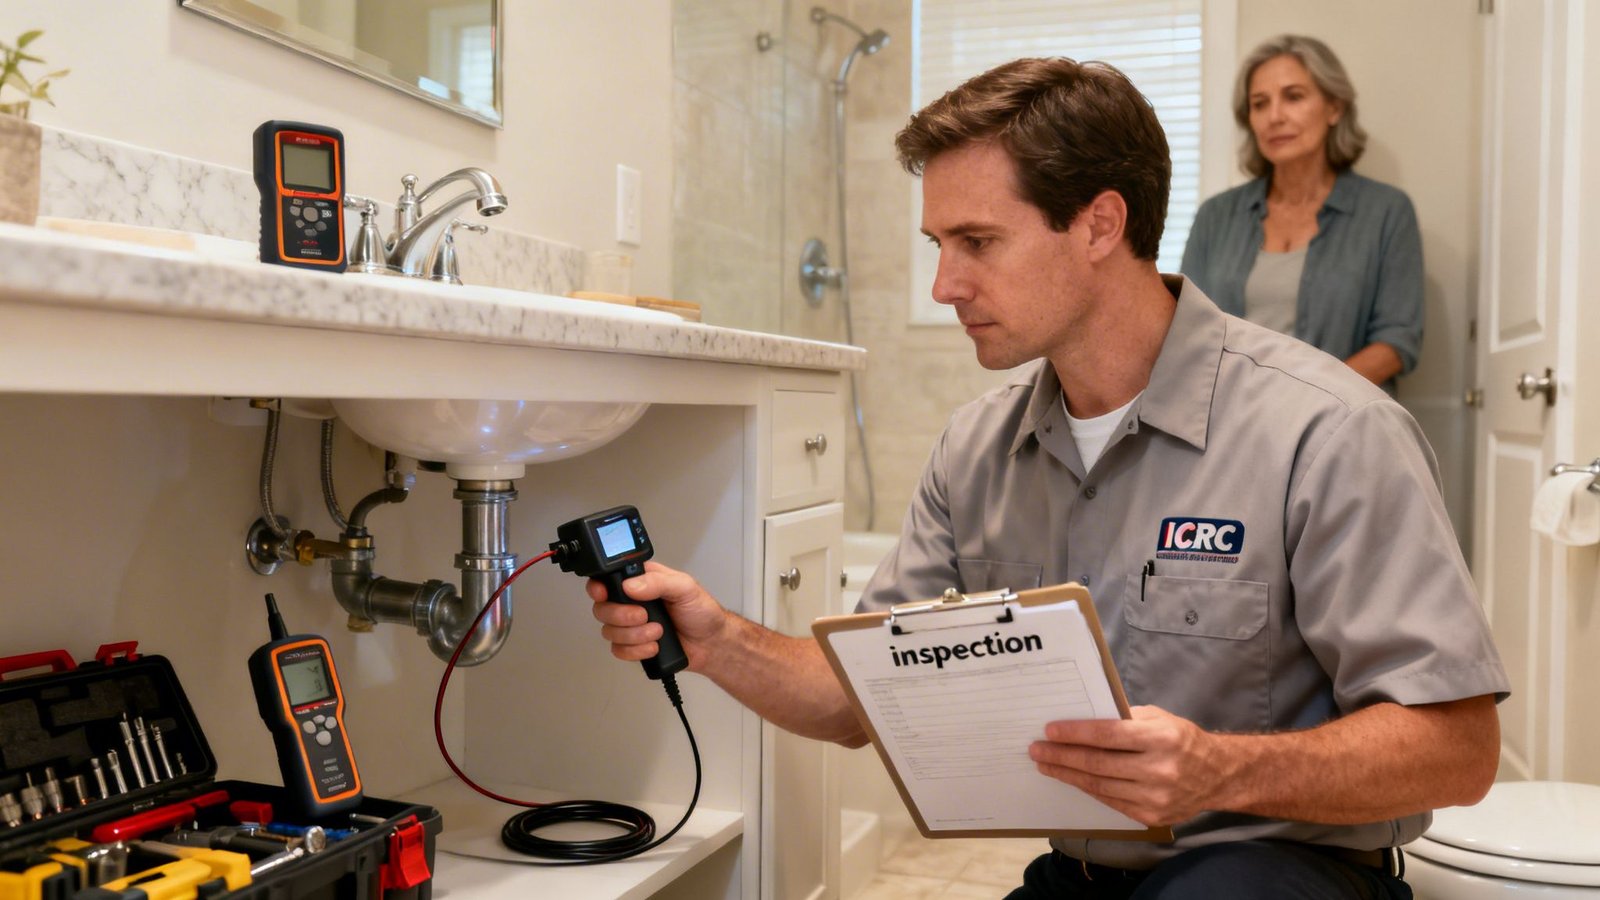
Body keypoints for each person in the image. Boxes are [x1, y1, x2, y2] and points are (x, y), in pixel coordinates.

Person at [591, 56, 1506, 898]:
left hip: (1282, 869)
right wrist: (714, 640)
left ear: (1100, 224)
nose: (945, 285)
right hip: (1088, 875)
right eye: (936, 245)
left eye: (978, 242)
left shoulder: (1329, 430)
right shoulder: (977, 452)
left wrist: (1219, 770)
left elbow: (1459, 751)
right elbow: (854, 696)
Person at [1181, 35, 1423, 394]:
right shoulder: (1215, 216)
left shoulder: (1387, 211)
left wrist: (1307, 398)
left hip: (1342, 423)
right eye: (1260, 104)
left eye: (1293, 97)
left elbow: (1397, 341)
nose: (1274, 117)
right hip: (1229, 421)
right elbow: (1187, 329)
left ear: (1334, 108)